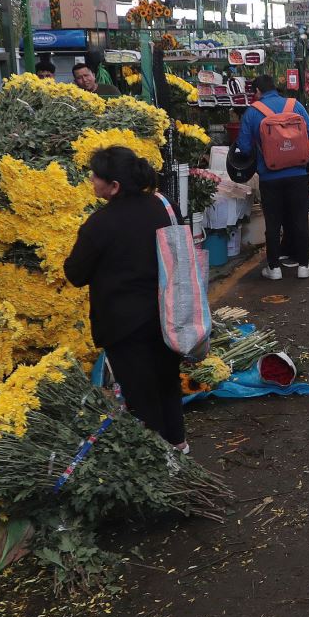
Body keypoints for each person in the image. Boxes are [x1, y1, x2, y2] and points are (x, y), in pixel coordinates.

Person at [63, 148, 187, 454]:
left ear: (114, 186)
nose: (91, 181)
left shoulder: (100, 224)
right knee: (168, 383)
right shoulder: (163, 205)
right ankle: (179, 444)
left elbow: (76, 274)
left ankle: (158, 461)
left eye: (96, 176)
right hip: (167, 314)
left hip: (125, 326)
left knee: (141, 396)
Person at [235, 74, 309, 281]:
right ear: (276, 88)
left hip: (269, 177)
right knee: (299, 219)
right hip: (298, 174)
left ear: (257, 92)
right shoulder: (294, 105)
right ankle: (303, 265)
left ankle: (274, 268)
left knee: (273, 222)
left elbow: (244, 148)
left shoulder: (252, 112)